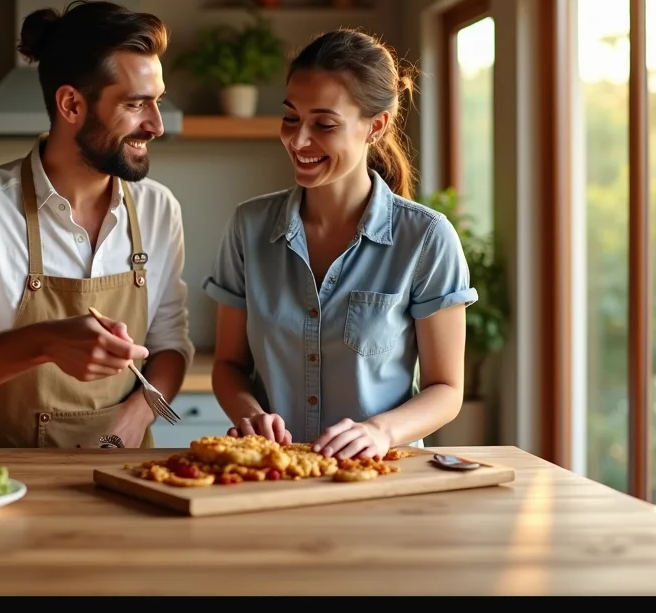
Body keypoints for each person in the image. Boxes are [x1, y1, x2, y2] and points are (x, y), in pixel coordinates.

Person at [0, 0, 193, 450]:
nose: (156, 125)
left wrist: (137, 416)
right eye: (136, 104)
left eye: (158, 102)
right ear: (71, 104)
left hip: (126, 470)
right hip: (2, 477)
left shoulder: (158, 209)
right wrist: (46, 342)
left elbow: (170, 343)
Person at [203, 28, 478, 461]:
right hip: (276, 473)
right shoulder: (248, 227)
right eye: (290, 118)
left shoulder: (426, 238)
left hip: (381, 475)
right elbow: (228, 365)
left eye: (324, 124)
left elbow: (446, 389)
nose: (298, 140)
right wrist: (251, 415)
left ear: (376, 126)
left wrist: (379, 432)